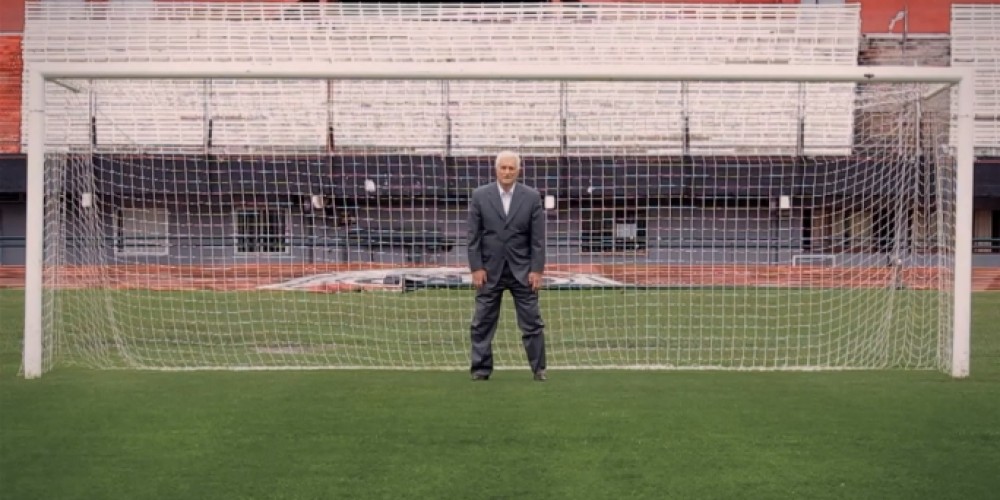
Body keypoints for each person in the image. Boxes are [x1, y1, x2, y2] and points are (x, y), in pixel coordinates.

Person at [466, 150, 547, 381]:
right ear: (496, 170)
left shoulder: (531, 197)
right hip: (489, 271)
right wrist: (476, 268)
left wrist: (537, 269)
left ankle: (539, 369)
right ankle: (480, 370)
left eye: (512, 168)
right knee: (481, 322)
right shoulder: (480, 196)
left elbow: (537, 239)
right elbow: (473, 236)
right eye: (504, 167)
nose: (507, 172)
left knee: (532, 322)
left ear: (518, 171)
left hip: (523, 271)